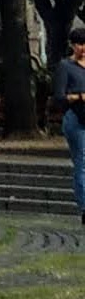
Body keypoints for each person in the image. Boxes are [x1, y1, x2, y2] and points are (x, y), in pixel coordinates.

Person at [57, 23, 85, 232]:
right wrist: (79, 96)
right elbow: (60, 96)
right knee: (81, 161)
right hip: (76, 118)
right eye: (78, 44)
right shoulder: (66, 67)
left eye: (84, 44)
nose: (82, 48)